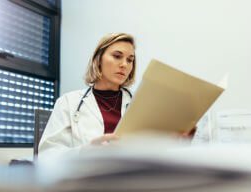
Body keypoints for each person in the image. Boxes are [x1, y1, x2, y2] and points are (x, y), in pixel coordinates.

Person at [39, 33, 194, 158]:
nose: (124, 65)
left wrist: (177, 143)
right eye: (117, 56)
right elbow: (47, 157)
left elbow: (152, 155)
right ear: (98, 59)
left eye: (130, 60)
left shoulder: (142, 105)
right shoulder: (68, 102)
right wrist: (85, 152)